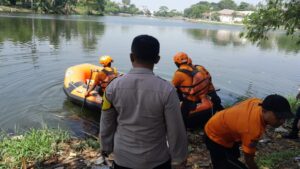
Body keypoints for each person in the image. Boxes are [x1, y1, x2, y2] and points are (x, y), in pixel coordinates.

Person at [100, 35, 188, 169]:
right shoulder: (167, 90)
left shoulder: (112, 87)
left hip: (123, 159)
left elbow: (106, 122)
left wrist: (106, 147)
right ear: (157, 59)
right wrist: (178, 159)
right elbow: (175, 130)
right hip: (156, 160)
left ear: (131, 57)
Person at [204, 94, 294, 169]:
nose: (282, 121)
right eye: (278, 117)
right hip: (214, 136)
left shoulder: (257, 102)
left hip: (224, 126)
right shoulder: (252, 129)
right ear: (264, 111)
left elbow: (239, 104)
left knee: (234, 156)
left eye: (284, 117)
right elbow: (249, 160)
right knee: (223, 164)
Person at [172, 52, 217, 129]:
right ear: (188, 60)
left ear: (176, 63)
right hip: (205, 96)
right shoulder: (199, 68)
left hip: (191, 101)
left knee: (180, 121)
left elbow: (171, 87)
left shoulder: (179, 73)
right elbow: (209, 79)